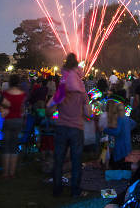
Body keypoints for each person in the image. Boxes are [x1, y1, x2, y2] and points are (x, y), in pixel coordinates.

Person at [51, 53, 91, 198]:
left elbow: (52, 106)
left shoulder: (63, 87)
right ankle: (75, 191)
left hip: (62, 126)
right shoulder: (81, 89)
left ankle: (57, 189)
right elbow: (88, 112)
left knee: (59, 159)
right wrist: (89, 114)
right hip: (76, 128)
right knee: (76, 160)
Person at [1, 74, 26, 178]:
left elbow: (1, 107)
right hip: (18, 120)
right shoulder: (22, 94)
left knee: (6, 146)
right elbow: (22, 109)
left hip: (8, 119)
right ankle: (12, 172)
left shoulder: (5, 94)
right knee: (14, 146)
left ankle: (5, 172)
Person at [102, 97, 137, 169]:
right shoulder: (126, 118)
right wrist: (127, 130)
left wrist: (105, 130)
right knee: (123, 161)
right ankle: (130, 166)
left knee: (118, 165)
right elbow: (134, 123)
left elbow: (117, 132)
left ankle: (132, 167)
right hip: (127, 144)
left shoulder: (119, 119)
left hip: (120, 145)